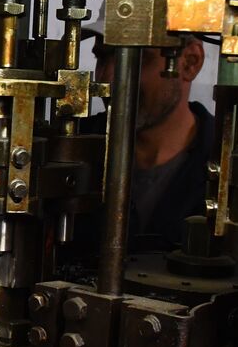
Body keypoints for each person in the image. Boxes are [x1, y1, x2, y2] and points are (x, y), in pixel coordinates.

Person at [88, 30, 215, 251]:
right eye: (102, 57)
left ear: (189, 62)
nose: (107, 78)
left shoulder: (237, 169)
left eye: (135, 58)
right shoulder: (71, 150)